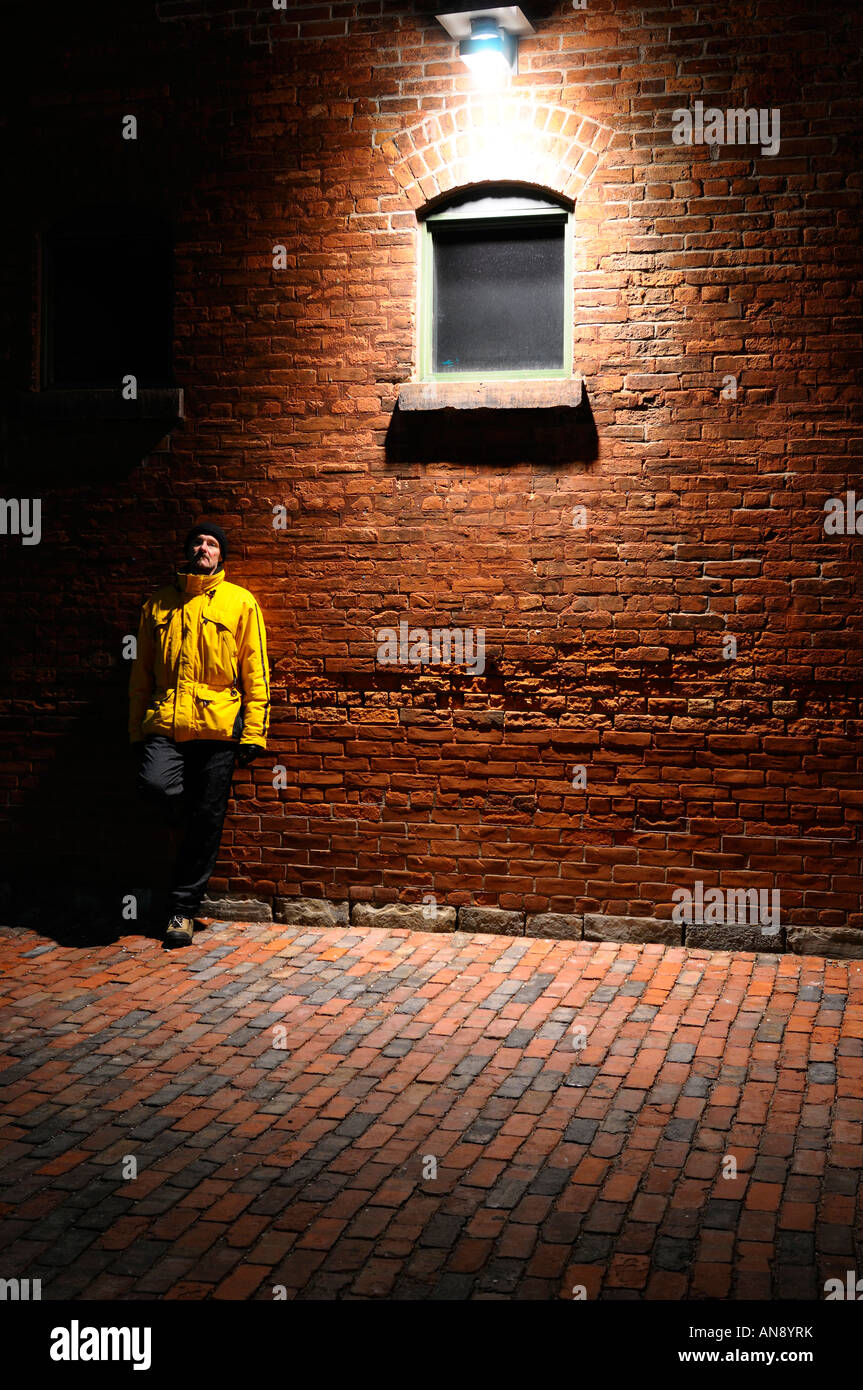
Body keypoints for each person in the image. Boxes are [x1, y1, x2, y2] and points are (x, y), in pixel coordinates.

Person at [129, 521, 270, 947]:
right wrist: (136, 730)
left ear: (221, 556)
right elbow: (141, 673)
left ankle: (182, 911)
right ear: (188, 550)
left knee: (207, 822)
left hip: (219, 727)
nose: (203, 548)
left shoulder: (240, 602)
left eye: (211, 544)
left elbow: (255, 670)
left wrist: (255, 731)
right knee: (155, 787)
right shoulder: (157, 604)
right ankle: (180, 846)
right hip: (166, 722)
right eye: (197, 541)